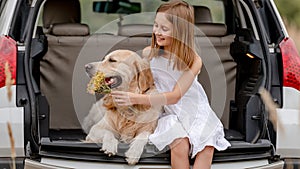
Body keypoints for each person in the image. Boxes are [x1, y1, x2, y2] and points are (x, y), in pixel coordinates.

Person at [111, 0, 231, 168]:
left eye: (164, 29)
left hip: (194, 110)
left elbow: (175, 96)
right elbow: (135, 76)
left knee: (206, 146)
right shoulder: (149, 54)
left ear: (180, 32)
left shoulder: (193, 60)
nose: (157, 32)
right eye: (155, 25)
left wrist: (134, 98)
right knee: (179, 144)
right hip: (167, 112)